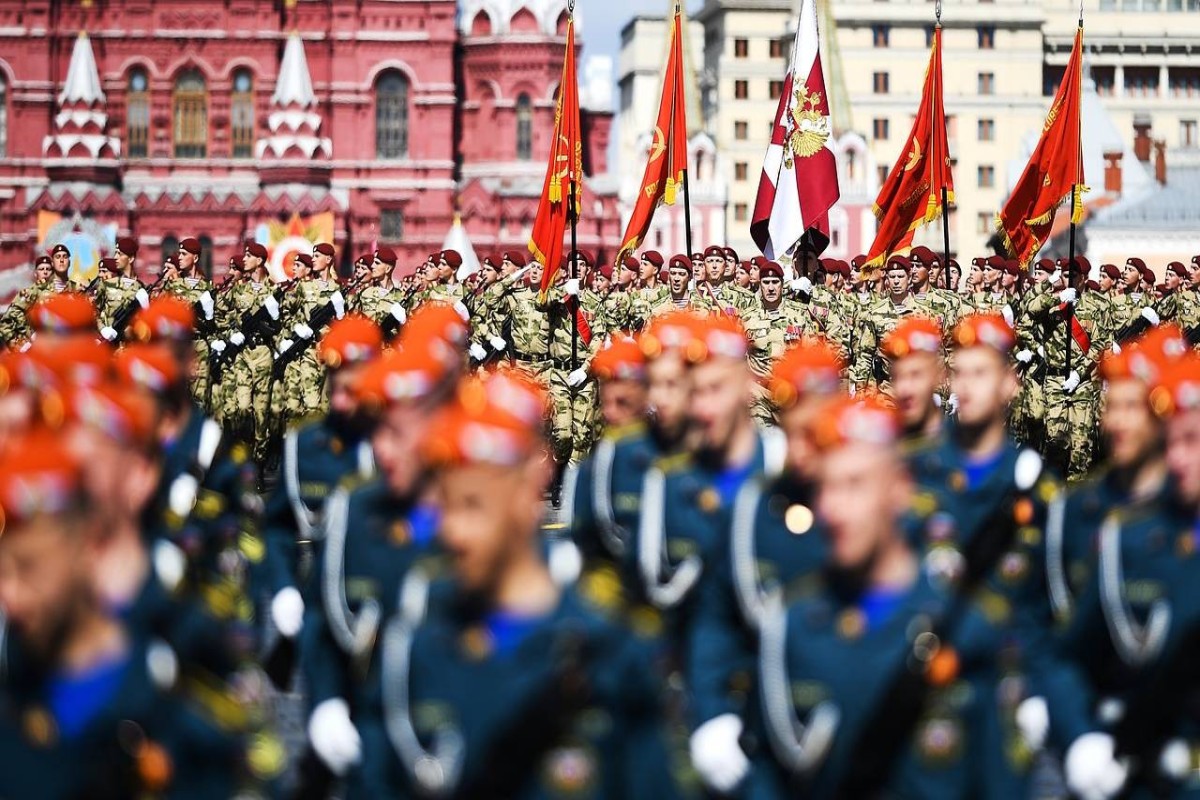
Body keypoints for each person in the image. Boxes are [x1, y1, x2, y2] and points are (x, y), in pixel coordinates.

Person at [352, 369, 677, 798]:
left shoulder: (607, 649)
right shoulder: (415, 648)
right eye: (444, 506)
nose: (452, 531)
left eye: (472, 505)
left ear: (530, 488)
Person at [687, 339, 845, 796]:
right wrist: (713, 715)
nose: (800, 452)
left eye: (813, 434)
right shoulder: (759, 506)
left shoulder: (884, 500)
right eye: (791, 434)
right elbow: (717, 620)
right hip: (772, 716)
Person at [259, 316, 383, 684]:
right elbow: (277, 526)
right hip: (322, 611)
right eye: (336, 387)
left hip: (384, 609)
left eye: (352, 390)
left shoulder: (396, 443)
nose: (341, 401)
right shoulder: (305, 446)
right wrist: (283, 587)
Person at [881, 316, 947, 445]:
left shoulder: (965, 448)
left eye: (916, 375)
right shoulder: (887, 453)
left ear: (938, 375)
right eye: (898, 377)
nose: (904, 389)